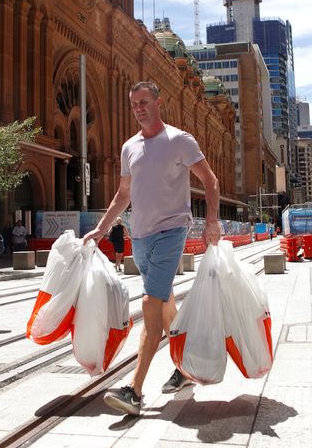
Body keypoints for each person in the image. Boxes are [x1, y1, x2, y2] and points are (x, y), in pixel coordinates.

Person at [83, 81, 221, 417]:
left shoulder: (179, 140)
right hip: (140, 237)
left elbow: (210, 181)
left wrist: (213, 221)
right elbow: (122, 195)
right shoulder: (129, 147)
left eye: (144, 102)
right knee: (163, 300)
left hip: (171, 230)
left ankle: (135, 389)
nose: (139, 109)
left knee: (150, 305)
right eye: (134, 105)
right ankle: (186, 364)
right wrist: (101, 229)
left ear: (158, 102)